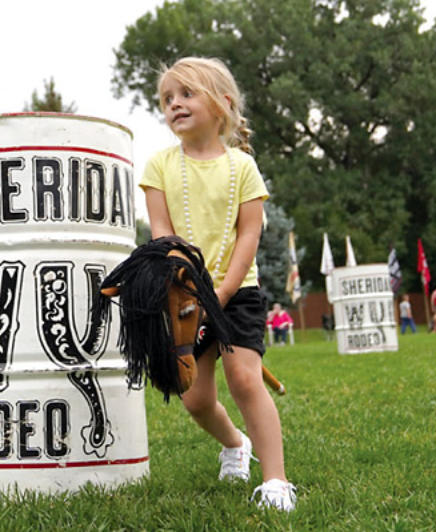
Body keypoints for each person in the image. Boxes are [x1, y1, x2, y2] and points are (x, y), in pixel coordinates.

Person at [140, 57, 295, 511]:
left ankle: (276, 482)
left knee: (245, 380)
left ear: (223, 103)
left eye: (187, 94)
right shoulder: (158, 167)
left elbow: (249, 234)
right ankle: (234, 444)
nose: (175, 104)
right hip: (186, 297)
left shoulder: (243, 167)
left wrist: (223, 293)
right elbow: (161, 234)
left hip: (237, 291)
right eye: (167, 98)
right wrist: (185, 288)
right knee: (195, 399)